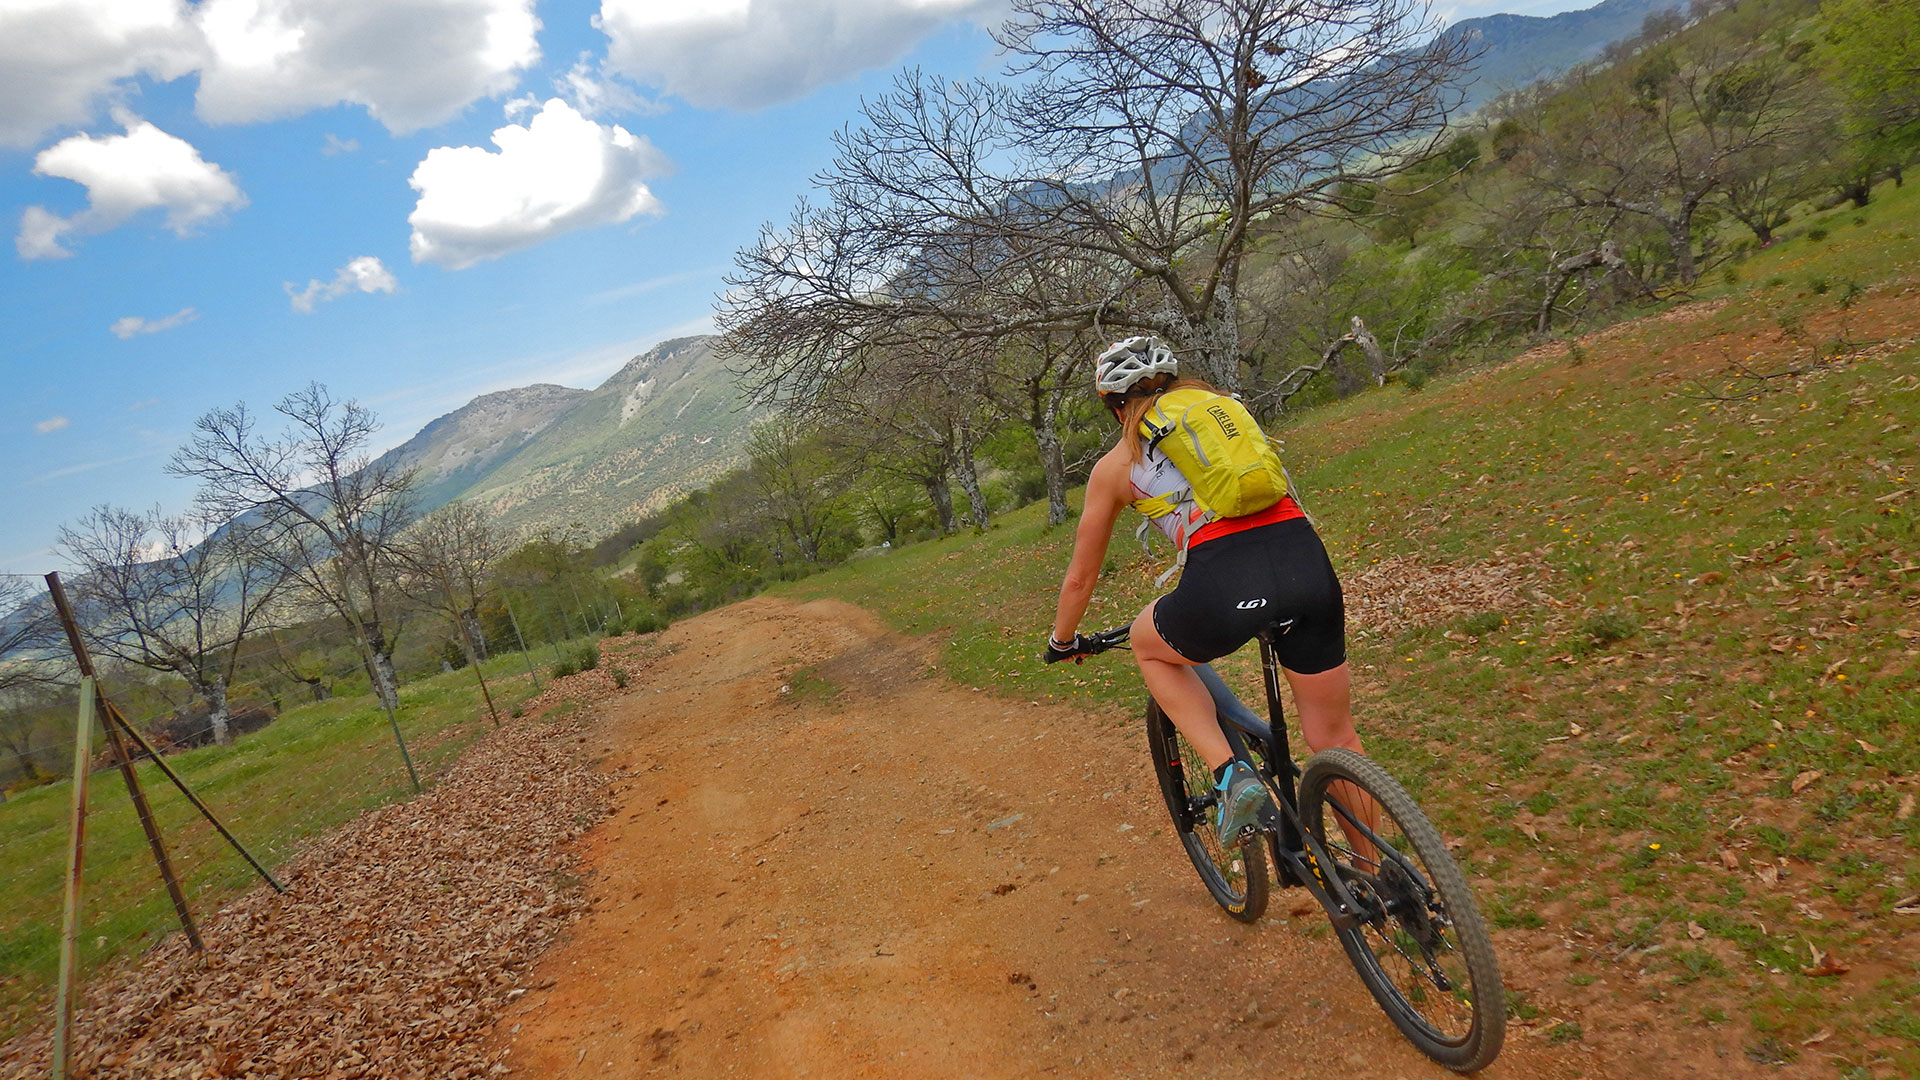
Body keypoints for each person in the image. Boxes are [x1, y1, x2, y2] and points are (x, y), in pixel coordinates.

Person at [1044, 336, 1372, 848]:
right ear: (1173, 384)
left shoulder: (1115, 467)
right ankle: (1384, 881)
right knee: (1337, 738)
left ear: (1113, 405)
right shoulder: (1226, 420)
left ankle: (1230, 774)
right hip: (1305, 560)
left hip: (1226, 582)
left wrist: (1063, 641)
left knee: (1148, 644)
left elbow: (1081, 578)